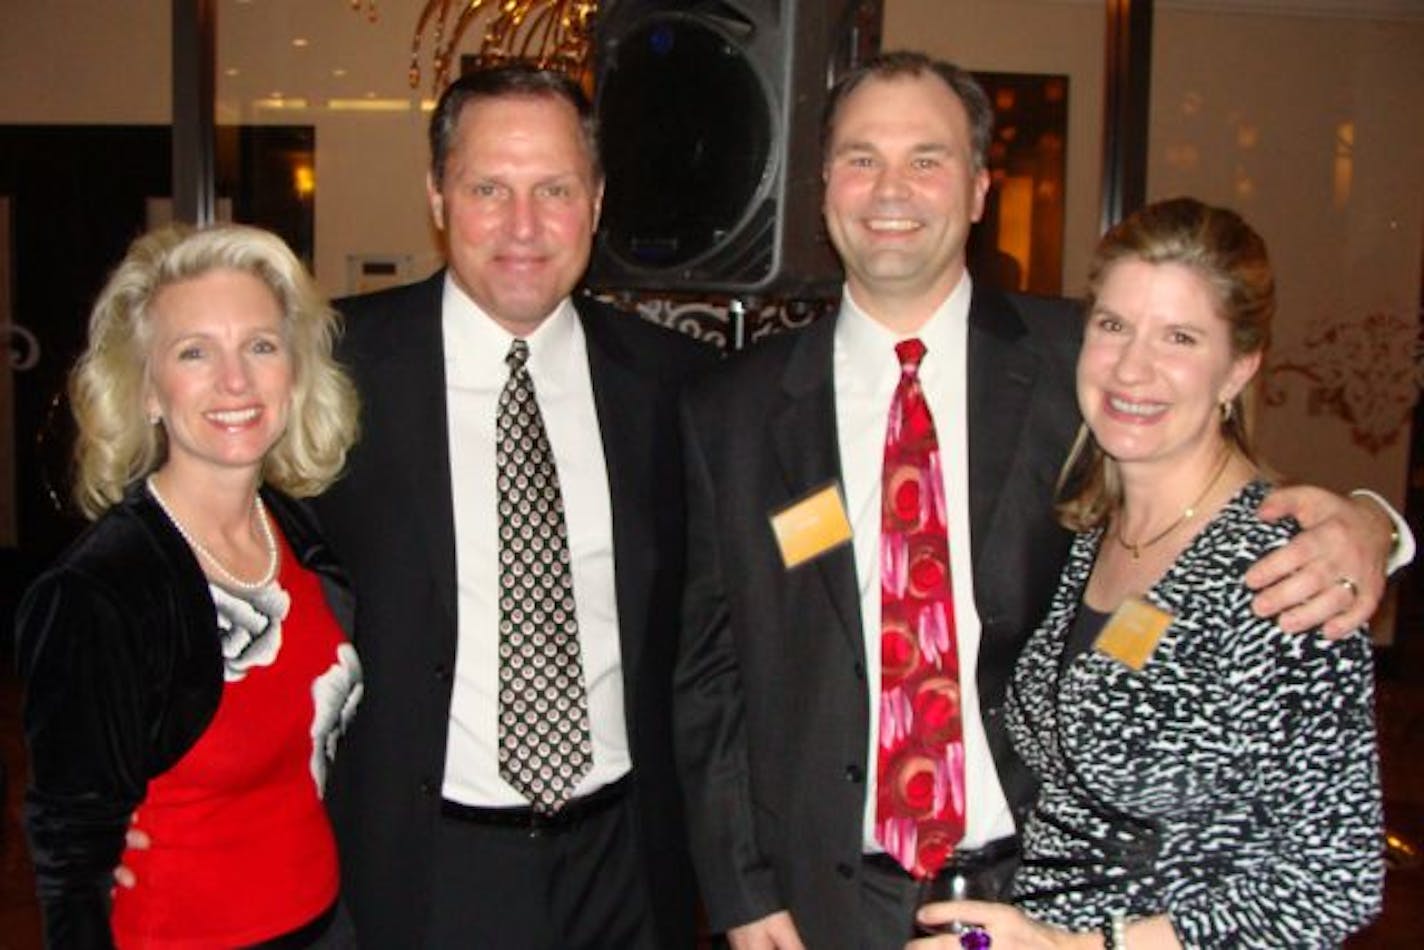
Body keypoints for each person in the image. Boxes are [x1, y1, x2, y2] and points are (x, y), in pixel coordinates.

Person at [674, 51, 1403, 950]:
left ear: (980, 188)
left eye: (927, 159)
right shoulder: (731, 411)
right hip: (820, 895)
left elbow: (1220, 489)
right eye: (862, 157)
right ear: (824, 184)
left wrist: (1373, 523)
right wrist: (742, 891)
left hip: (1042, 895)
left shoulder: (1087, 367)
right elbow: (709, 676)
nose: (890, 188)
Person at [311, 63, 714, 948]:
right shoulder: (331, 373)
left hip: (628, 869)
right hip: (422, 870)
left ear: (597, 201)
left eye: (555, 190)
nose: (523, 227)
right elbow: (214, 562)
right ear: (438, 195)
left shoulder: (676, 388)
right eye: (489, 187)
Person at [915, 198, 1383, 947]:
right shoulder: (1095, 529)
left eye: (1180, 337)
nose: (1133, 367)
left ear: (1240, 366)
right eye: (1113, 325)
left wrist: (1084, 947)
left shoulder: (1285, 570)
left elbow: (1332, 882)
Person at [16, 223, 363, 947]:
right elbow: (71, 856)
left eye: (261, 346)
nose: (234, 381)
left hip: (327, 926)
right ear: (146, 389)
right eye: (195, 351)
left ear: (294, 374)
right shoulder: (98, 592)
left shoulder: (298, 533)